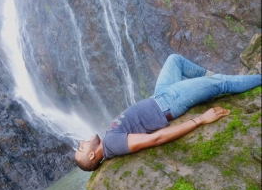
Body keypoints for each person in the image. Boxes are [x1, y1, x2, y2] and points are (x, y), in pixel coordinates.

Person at [75, 54, 261, 171]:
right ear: (92, 155)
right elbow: (156, 138)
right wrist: (200, 120)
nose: (82, 142)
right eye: (82, 148)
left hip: (159, 95)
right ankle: (225, 82)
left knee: (174, 60)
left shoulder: (110, 141)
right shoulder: (111, 144)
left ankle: (206, 83)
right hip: (170, 103)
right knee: (223, 83)